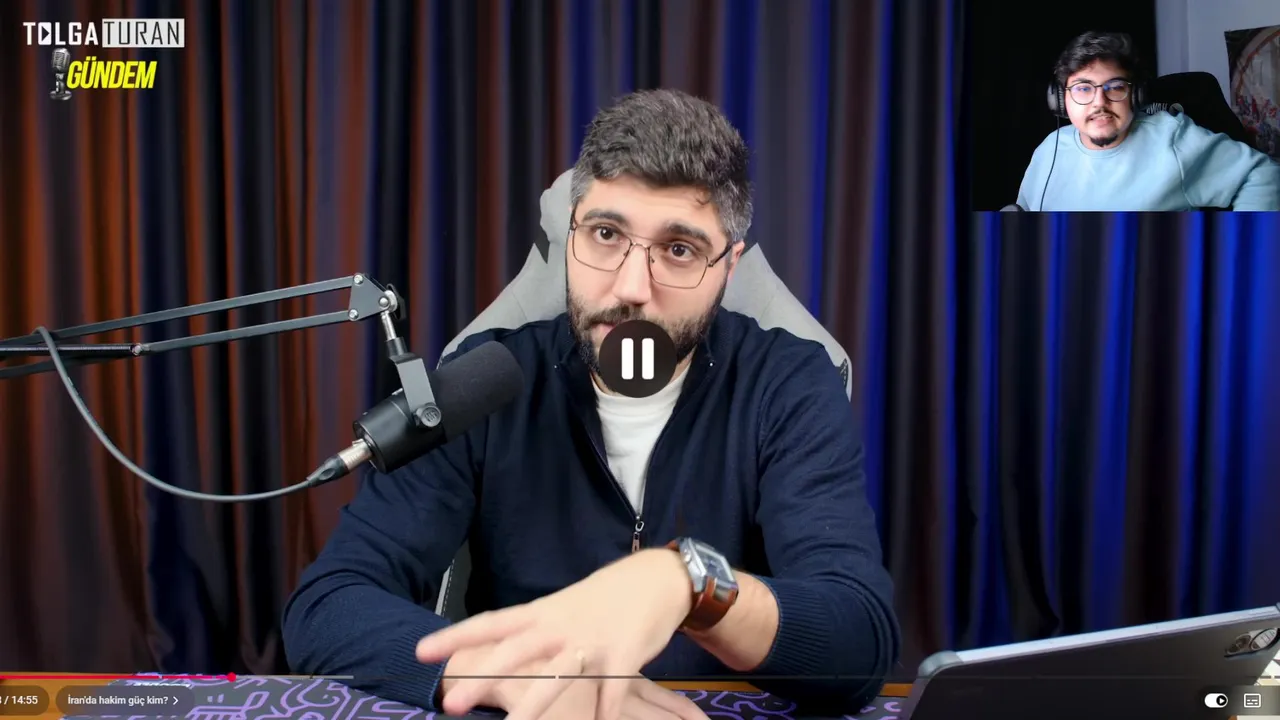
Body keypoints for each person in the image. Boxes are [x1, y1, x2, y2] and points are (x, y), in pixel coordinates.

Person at [281, 88, 900, 720]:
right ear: (571, 231)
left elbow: (859, 639)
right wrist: (506, 674)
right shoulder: (484, 380)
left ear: (728, 267)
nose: (631, 289)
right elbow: (329, 603)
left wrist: (688, 582)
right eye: (606, 234)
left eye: (679, 250)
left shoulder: (788, 382)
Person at [1015, 31, 1280, 211]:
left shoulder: (1171, 138)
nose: (1099, 102)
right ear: (1061, 100)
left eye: (1115, 87)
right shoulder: (1049, 149)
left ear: (1136, 95)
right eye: (1083, 88)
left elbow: (1263, 174)